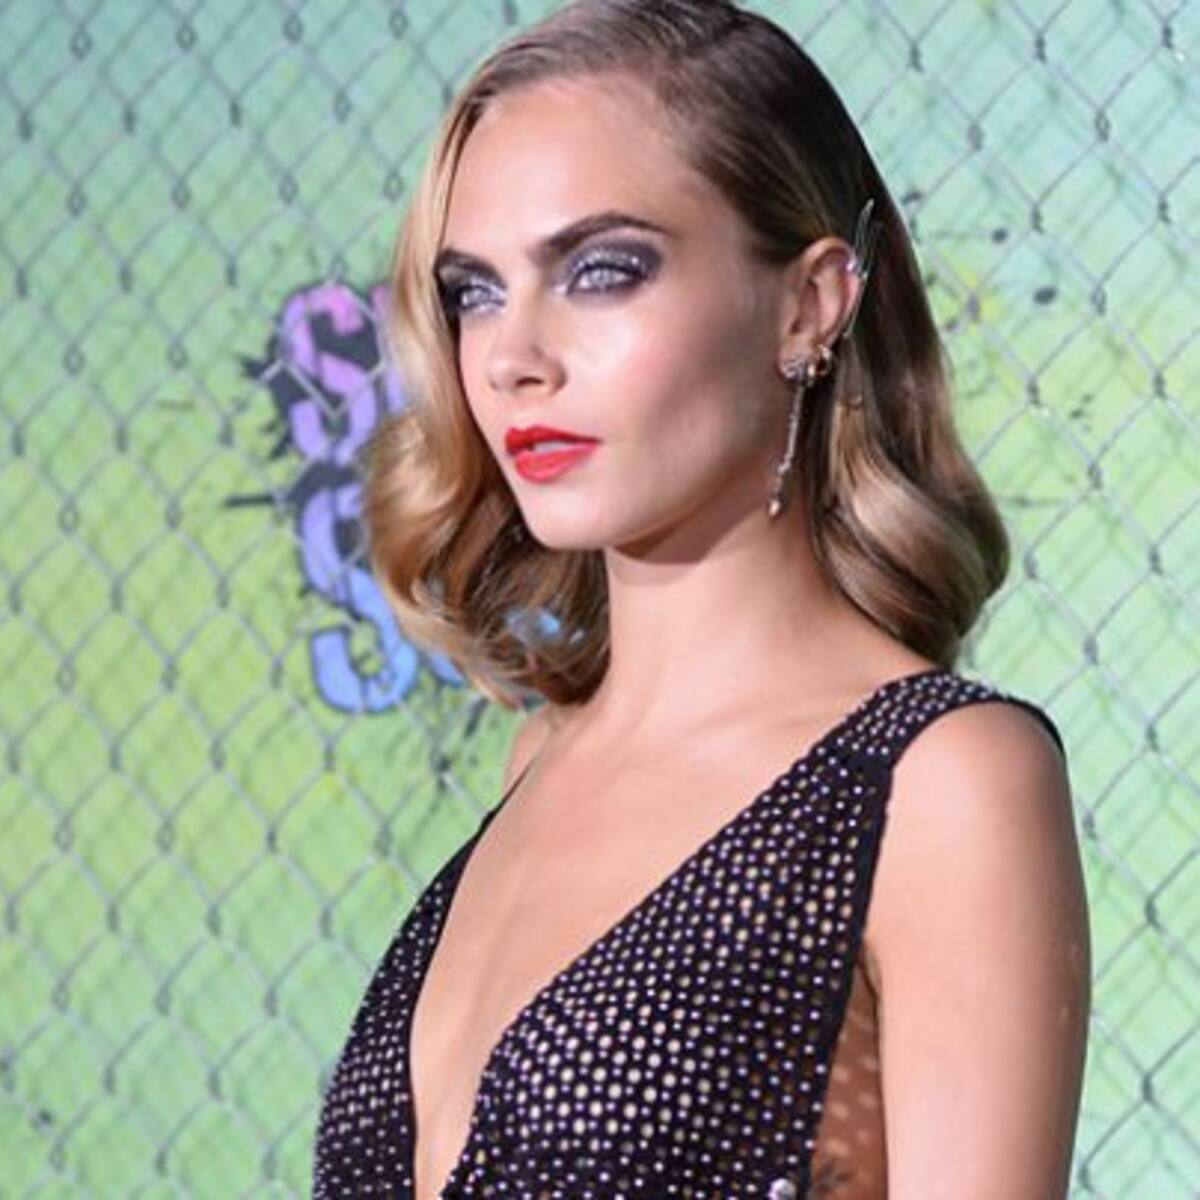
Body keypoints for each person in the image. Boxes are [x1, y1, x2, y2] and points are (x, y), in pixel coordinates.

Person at [312, 1, 1091, 1196]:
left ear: (808, 304)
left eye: (602, 272)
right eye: (474, 292)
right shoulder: (540, 759)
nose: (512, 357)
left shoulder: (940, 781)